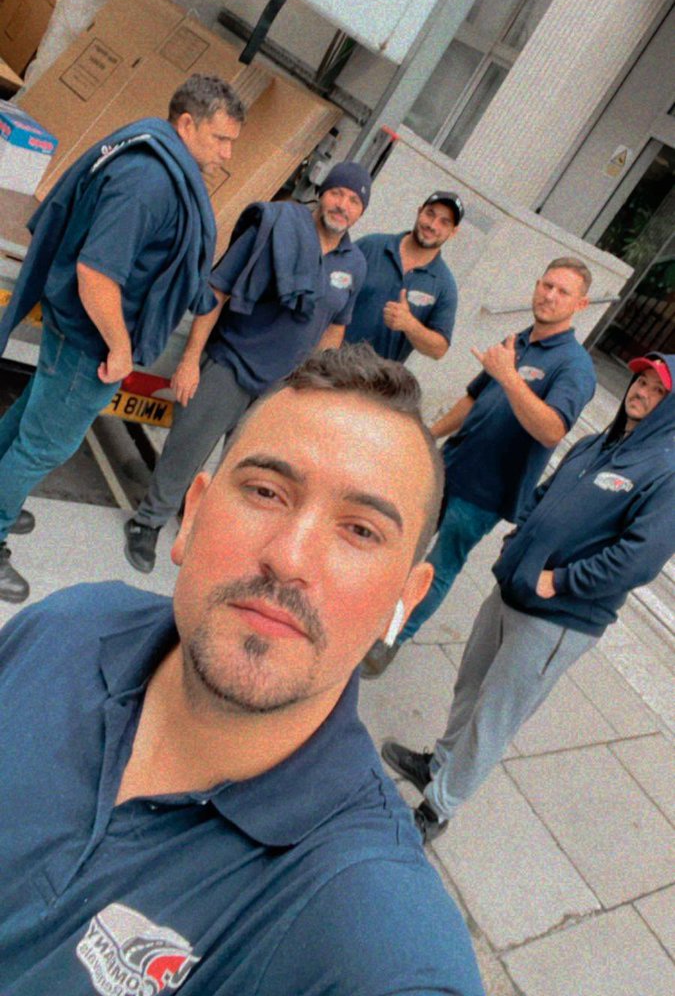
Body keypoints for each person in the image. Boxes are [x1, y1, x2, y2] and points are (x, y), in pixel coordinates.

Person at [0, 345, 485, 996]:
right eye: (265, 492)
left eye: (361, 531)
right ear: (193, 514)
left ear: (404, 601)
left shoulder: (371, 940)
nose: (290, 557)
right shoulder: (66, 625)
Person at [382, 352, 675, 843]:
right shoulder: (596, 443)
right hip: (513, 589)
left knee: (495, 715)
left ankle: (437, 809)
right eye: (641, 382)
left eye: (658, 391)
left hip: (559, 617)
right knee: (470, 686)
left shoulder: (665, 471)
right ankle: (439, 764)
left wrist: (560, 581)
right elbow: (545, 494)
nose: (641, 393)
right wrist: (520, 538)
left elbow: (638, 560)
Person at [0, 73, 243, 603]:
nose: (227, 154)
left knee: (31, 420)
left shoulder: (151, 150)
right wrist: (121, 348)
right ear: (187, 123)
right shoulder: (148, 183)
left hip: (79, 329)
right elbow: (96, 274)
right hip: (91, 341)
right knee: (44, 445)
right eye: (221, 139)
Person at [124, 161, 369, 574]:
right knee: (186, 450)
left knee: (246, 471)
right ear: (322, 194)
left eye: (354, 201)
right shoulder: (275, 228)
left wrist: (316, 389)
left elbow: (335, 328)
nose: (342, 205)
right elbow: (216, 291)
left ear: (361, 212)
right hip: (231, 362)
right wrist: (191, 360)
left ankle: (205, 532)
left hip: (281, 388)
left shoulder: (354, 264)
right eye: (337, 193)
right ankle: (147, 522)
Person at [362, 256, 596, 676]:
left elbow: (551, 430)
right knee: (403, 541)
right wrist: (429, 436)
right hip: (451, 464)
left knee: (439, 565)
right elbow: (473, 399)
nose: (550, 296)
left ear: (580, 305)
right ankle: (368, 615)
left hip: (487, 491)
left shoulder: (574, 366)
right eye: (546, 285)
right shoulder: (517, 341)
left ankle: (391, 638)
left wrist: (509, 377)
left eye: (563, 292)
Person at [344, 190, 462, 362]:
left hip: (374, 377)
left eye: (445, 222)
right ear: (419, 212)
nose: (433, 225)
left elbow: (439, 350)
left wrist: (410, 325)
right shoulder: (371, 246)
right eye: (430, 214)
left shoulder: (444, 285)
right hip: (325, 361)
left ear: (453, 232)